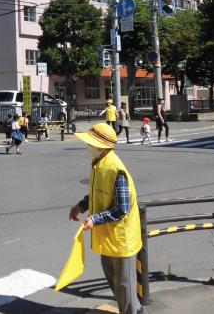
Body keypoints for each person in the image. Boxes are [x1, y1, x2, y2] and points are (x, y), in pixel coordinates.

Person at [68, 123, 143, 314]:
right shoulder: (99, 163)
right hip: (109, 235)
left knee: (124, 286)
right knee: (115, 282)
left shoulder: (115, 169)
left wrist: (95, 219)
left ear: (99, 146)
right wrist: (80, 206)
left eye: (89, 143)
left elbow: (122, 208)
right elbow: (97, 193)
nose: (87, 146)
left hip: (121, 238)